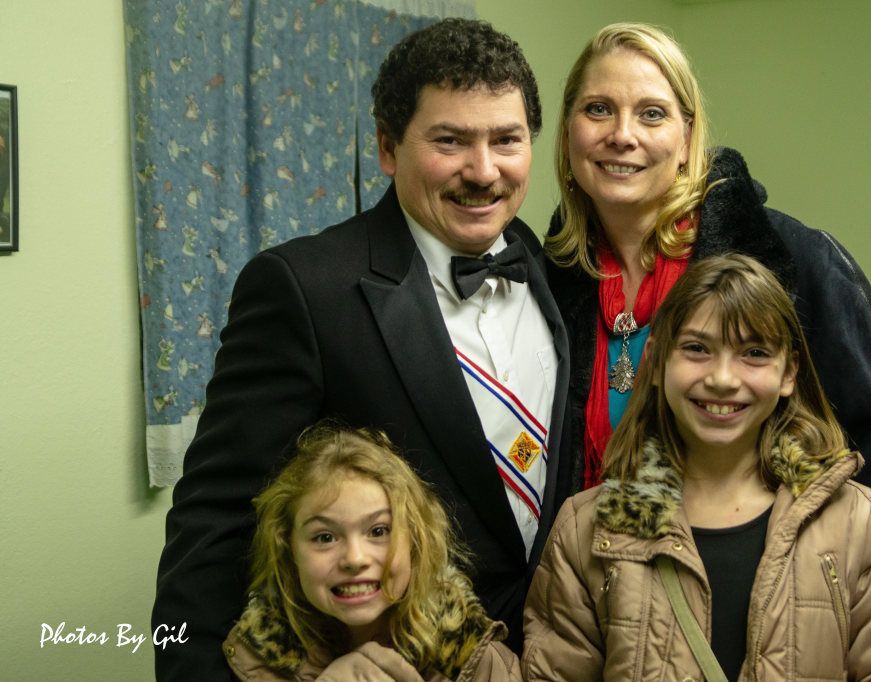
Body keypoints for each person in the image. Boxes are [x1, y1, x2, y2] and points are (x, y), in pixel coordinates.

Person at [153, 18, 569, 679]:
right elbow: (216, 520)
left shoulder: (558, 275)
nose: (484, 170)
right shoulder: (304, 288)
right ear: (386, 146)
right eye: (450, 140)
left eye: (506, 140)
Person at [544, 22, 871, 618]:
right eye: (598, 109)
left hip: (767, 618)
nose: (621, 135)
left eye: (652, 114)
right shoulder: (548, 276)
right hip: (598, 616)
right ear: (569, 133)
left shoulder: (793, 260)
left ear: (687, 138)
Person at [523, 254, 871, 681]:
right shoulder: (587, 531)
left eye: (755, 353)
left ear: (789, 372)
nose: (723, 378)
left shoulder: (859, 525)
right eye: (696, 348)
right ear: (653, 363)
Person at [223, 424, 521, 680]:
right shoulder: (258, 657)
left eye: (378, 531)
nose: (355, 559)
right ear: (288, 551)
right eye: (325, 537)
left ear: (416, 543)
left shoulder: (471, 656)